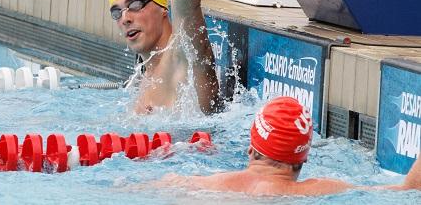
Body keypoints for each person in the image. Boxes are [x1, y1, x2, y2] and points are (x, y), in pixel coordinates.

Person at [159, 96, 421, 196]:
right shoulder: (322, 190)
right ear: (303, 158)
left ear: (251, 147)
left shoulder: (191, 184)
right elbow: (408, 191)